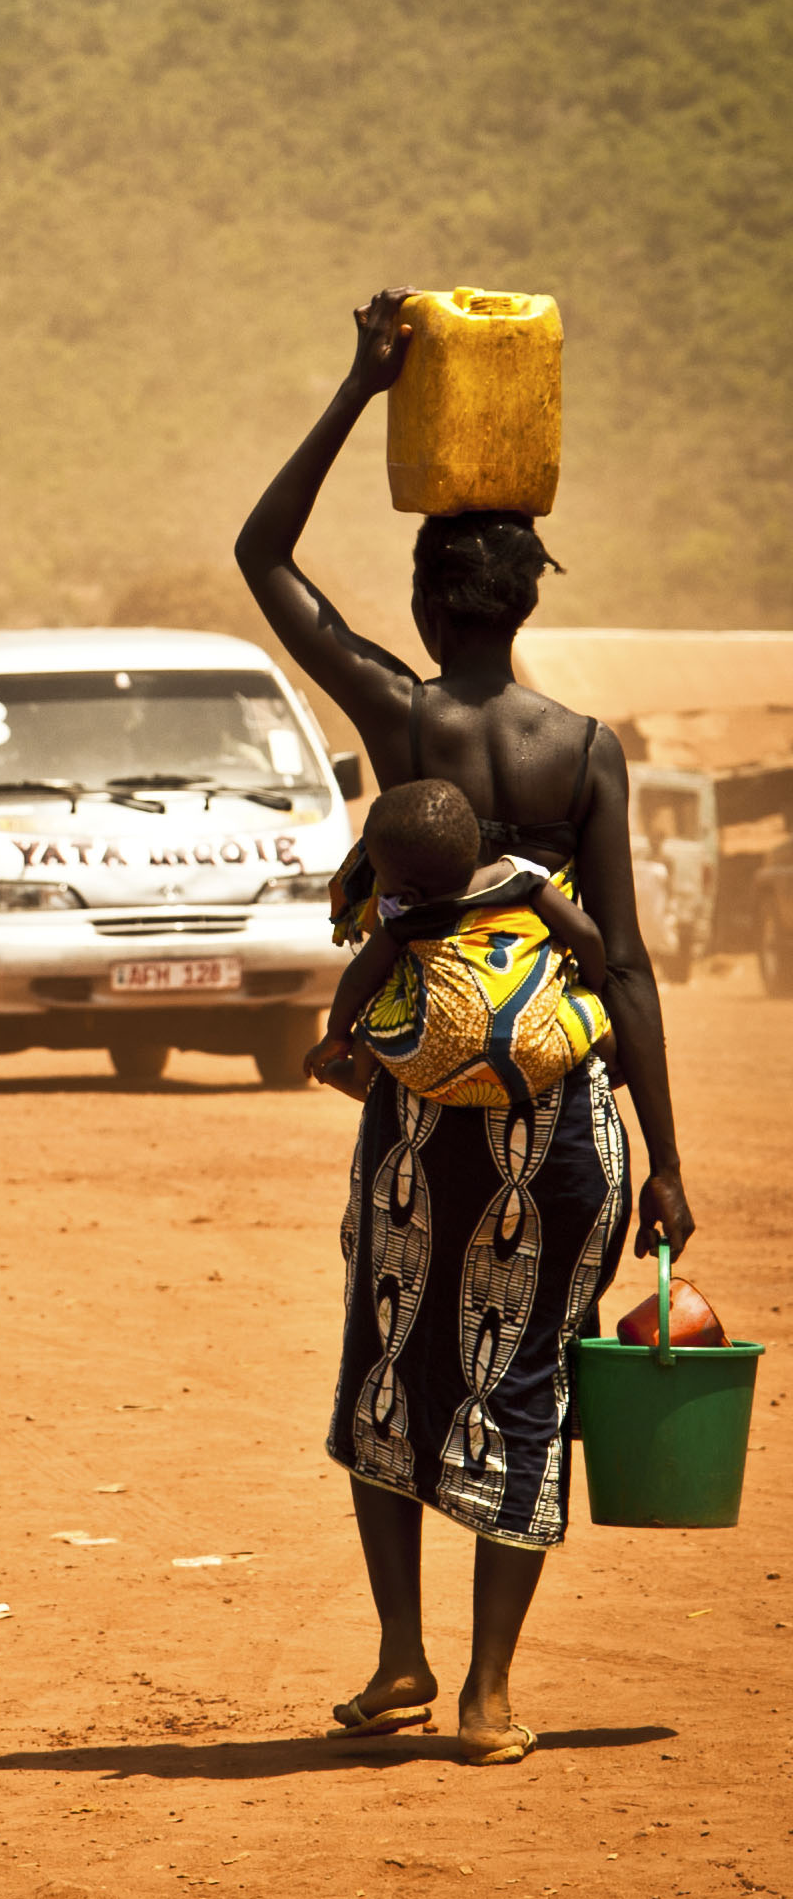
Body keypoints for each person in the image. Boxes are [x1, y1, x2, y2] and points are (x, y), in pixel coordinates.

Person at [235, 288, 694, 1766]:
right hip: (565, 1128)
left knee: (393, 1362)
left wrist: (365, 385)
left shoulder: (400, 714)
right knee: (530, 1380)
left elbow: (264, 557)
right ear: (530, 605)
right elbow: (625, 965)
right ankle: (495, 1695)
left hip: (421, 1113)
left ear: (434, 607)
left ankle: (400, 1665)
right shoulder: (585, 752)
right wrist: (667, 1158)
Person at [310, 776, 615, 1107]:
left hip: (429, 1072)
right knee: (591, 1010)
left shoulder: (401, 915)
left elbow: (356, 981)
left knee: (380, 990)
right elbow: (585, 934)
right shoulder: (518, 877)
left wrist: (335, 1036)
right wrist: (593, 986)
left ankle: (355, 1078)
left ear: (407, 892)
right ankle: (617, 1068)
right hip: (535, 1060)